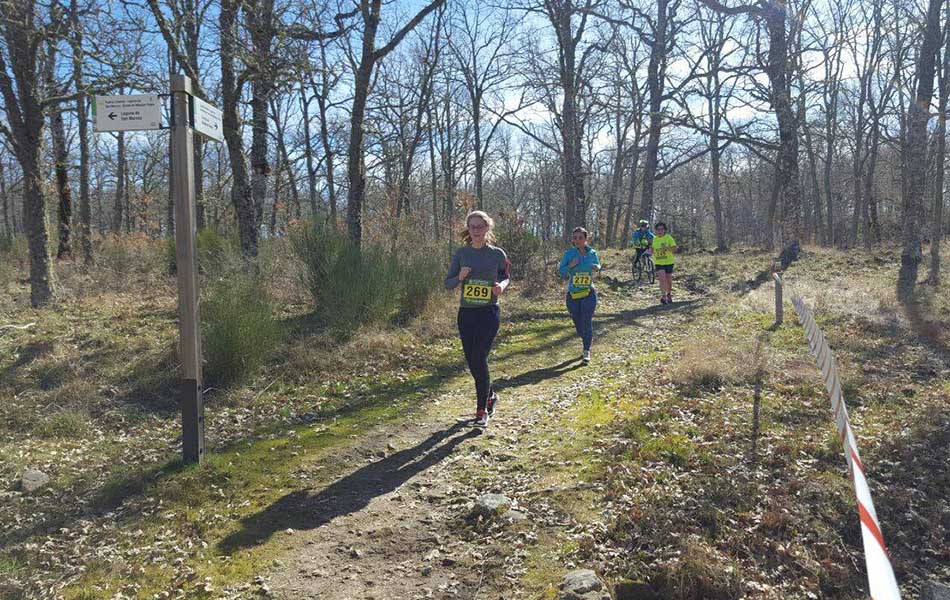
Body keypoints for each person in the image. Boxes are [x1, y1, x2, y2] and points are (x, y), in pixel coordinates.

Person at [444, 211, 511, 427]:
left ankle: (482, 410)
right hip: (466, 314)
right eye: (472, 227)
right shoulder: (462, 254)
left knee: (479, 357)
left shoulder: (497, 254)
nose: (476, 231)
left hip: (489, 313)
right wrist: (460, 277)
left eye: (480, 227)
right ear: (468, 229)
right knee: (472, 360)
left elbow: (506, 275)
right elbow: (448, 283)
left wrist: (501, 286)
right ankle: (489, 394)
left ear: (487, 228)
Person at [558, 227, 601, 363]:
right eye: (575, 238)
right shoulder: (569, 254)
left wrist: (596, 267)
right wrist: (570, 265)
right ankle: (585, 338)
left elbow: (598, 265)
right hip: (573, 295)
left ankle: (586, 349)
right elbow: (561, 272)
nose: (577, 240)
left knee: (586, 321)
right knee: (578, 322)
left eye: (580, 237)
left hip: (588, 293)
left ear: (585, 239)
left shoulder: (592, 253)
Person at [651, 221, 677, 305]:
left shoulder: (668, 238)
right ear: (655, 230)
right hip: (658, 262)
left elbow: (674, 249)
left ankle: (669, 294)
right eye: (658, 229)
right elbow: (652, 249)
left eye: (661, 229)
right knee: (662, 279)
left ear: (664, 230)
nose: (659, 231)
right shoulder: (654, 239)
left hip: (668, 262)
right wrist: (650, 251)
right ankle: (663, 296)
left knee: (668, 279)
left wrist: (666, 248)